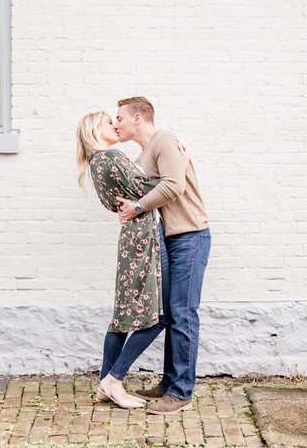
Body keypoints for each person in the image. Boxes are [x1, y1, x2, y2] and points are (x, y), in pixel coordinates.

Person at [114, 97, 211, 416]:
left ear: (138, 118)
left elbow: (173, 185)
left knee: (183, 313)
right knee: (170, 312)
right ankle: (170, 382)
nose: (116, 124)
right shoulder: (145, 153)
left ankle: (182, 392)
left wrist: (137, 207)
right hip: (170, 239)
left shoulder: (164, 140)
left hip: (190, 235)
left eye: (120, 118)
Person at [75, 110, 170, 409]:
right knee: (158, 315)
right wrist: (175, 170)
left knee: (122, 318)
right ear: (94, 130)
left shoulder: (96, 163)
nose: (115, 125)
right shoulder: (110, 157)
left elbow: (119, 198)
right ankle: (114, 379)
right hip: (142, 238)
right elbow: (151, 188)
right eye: (108, 122)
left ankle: (106, 384)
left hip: (131, 237)